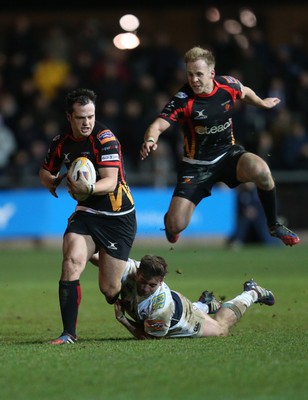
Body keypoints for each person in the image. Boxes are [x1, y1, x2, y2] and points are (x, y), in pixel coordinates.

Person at [140, 46, 300, 247]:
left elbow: (244, 91)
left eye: (199, 74)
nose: (194, 79)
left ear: (212, 74)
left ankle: (274, 225)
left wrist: (261, 103)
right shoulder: (183, 100)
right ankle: (170, 224)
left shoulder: (227, 85)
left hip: (228, 155)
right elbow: (157, 125)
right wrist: (150, 140)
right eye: (190, 74)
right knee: (175, 225)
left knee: (262, 171)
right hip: (196, 166)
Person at [39, 88, 137, 344]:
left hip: (117, 216)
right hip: (86, 213)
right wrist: (50, 180)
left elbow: (111, 182)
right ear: (69, 117)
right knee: (70, 261)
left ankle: (123, 265)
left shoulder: (105, 139)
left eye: (91, 116)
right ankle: (68, 334)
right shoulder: (60, 142)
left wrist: (89, 188)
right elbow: (44, 170)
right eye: (81, 117)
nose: (87, 123)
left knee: (109, 290)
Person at [110, 254, 275, 339]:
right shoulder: (130, 268)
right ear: (138, 271)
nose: (145, 288)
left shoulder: (162, 309)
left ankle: (253, 292)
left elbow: (148, 337)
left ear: (161, 281)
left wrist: (123, 319)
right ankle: (204, 305)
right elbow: (104, 260)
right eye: (143, 281)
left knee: (221, 329)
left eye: (152, 285)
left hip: (182, 318)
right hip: (176, 302)